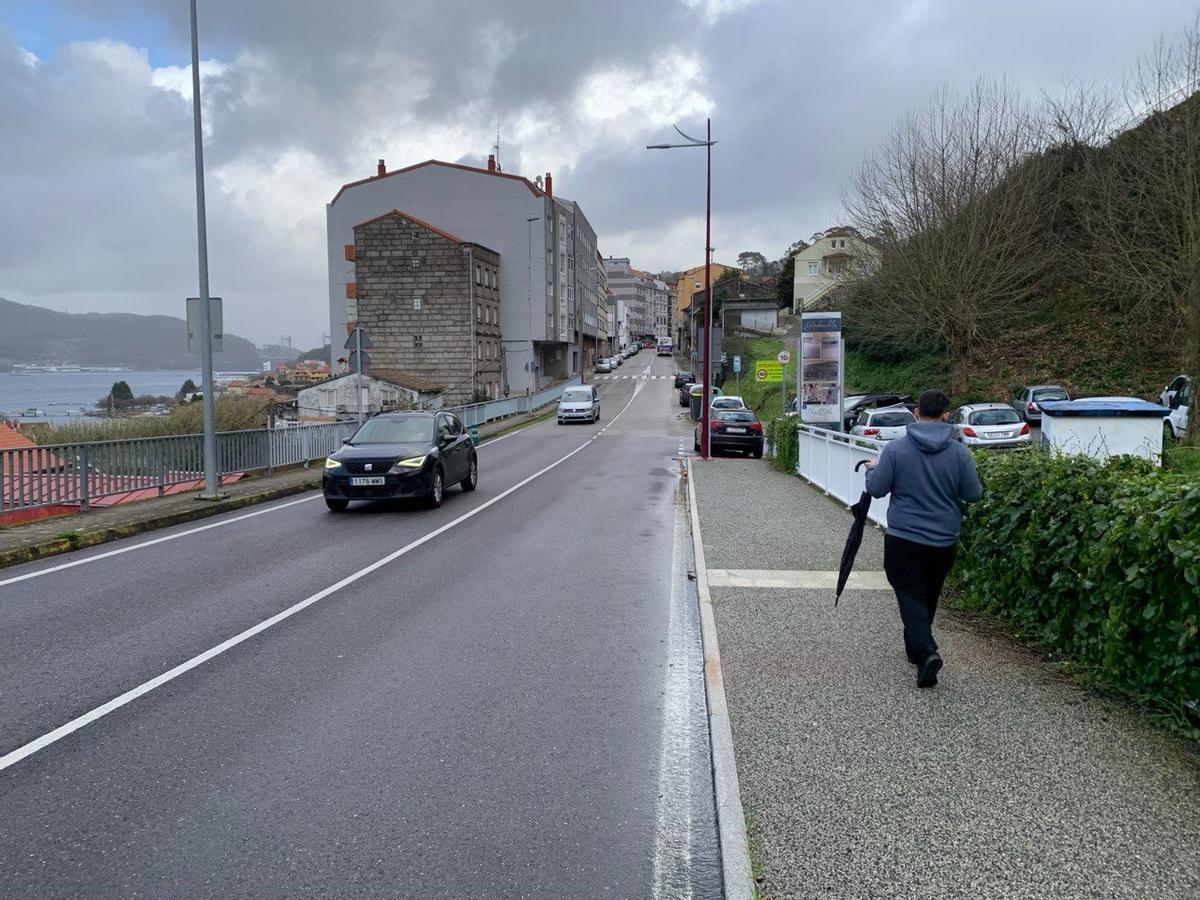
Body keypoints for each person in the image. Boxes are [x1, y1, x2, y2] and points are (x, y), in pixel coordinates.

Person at [865, 390, 982, 688]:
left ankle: (926, 652)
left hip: (904, 538)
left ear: (916, 412)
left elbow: (877, 490)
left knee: (909, 594)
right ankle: (915, 648)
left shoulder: (896, 450)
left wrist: (870, 472)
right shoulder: (960, 453)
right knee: (927, 595)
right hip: (943, 541)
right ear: (946, 414)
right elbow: (973, 494)